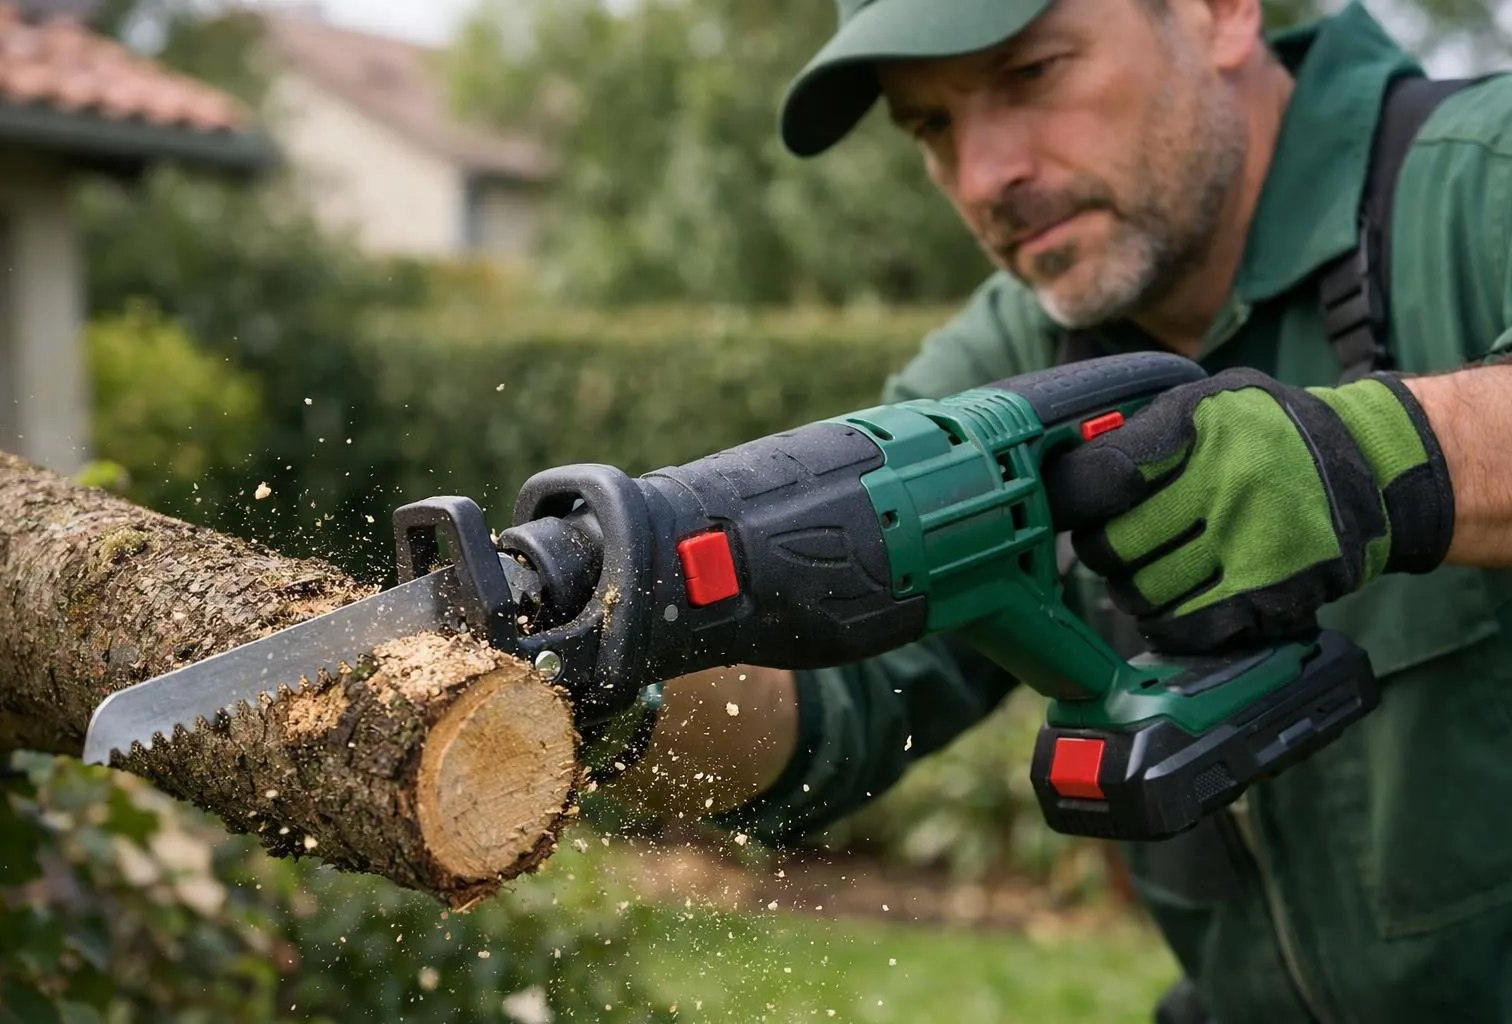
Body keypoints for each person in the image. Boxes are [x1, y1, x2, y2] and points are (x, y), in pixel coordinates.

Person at [587, 0, 1512, 1020]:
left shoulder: (1481, 178)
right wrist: (616, 675)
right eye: (931, 127)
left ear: (1219, 13)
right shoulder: (1011, 360)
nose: (986, 178)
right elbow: (838, 702)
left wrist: (1377, 457)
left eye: (1030, 75)